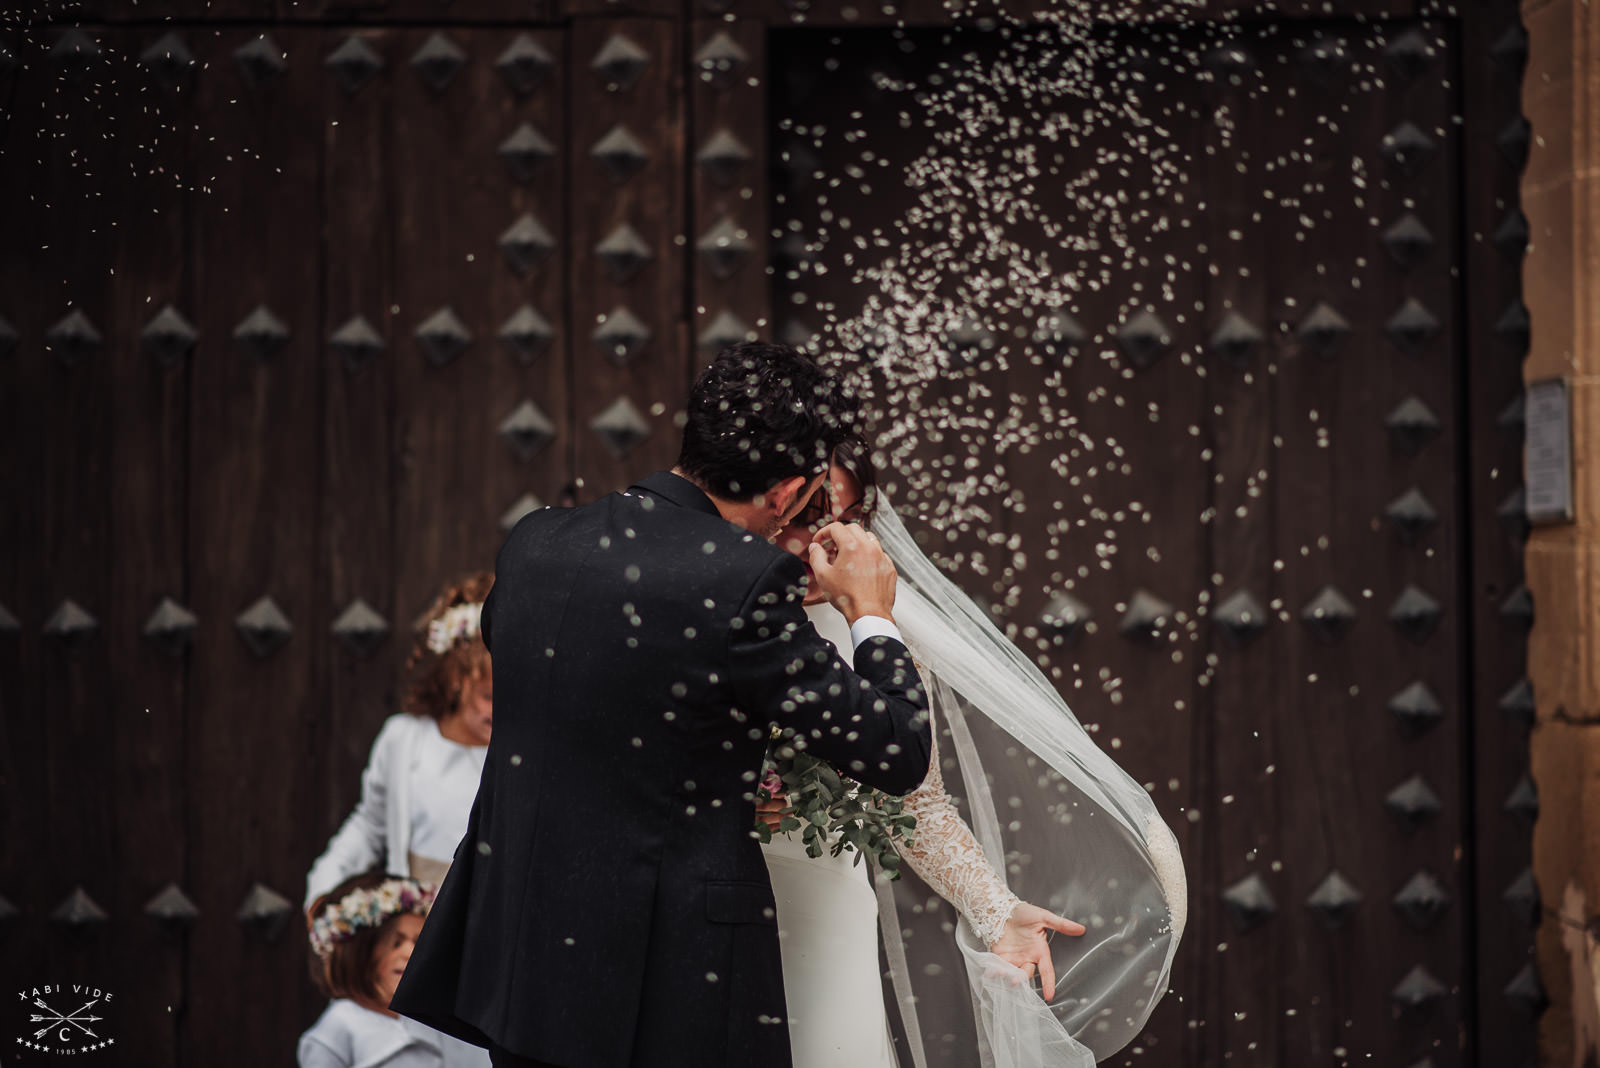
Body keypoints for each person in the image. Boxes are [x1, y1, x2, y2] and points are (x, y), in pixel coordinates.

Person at [390, 341, 934, 1068]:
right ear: (788, 493)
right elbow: (894, 750)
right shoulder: (745, 582)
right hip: (669, 982)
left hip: (525, 964)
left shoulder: (536, 543)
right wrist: (871, 612)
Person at [767, 435, 1188, 1068]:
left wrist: (997, 912)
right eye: (807, 518)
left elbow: (914, 801)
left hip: (825, 916)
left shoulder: (878, 639)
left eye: (846, 521)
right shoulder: (710, 611)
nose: (826, 543)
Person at [306, 573, 496, 909]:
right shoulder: (406, 740)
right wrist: (325, 884)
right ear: (456, 678)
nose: (502, 710)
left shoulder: (517, 754)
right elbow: (370, 826)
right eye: (489, 696)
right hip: (420, 925)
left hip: (489, 923)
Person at [300, 872, 490, 1068]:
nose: (410, 952)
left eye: (418, 942)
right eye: (396, 943)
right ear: (357, 953)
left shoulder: (437, 1018)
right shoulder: (337, 1031)